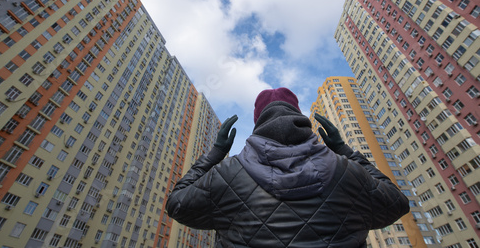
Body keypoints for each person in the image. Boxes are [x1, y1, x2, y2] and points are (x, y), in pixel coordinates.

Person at [167, 87, 410, 247]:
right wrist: (344, 150)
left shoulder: (226, 174)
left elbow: (177, 204)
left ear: (257, 120)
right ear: (298, 114)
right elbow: (396, 203)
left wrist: (215, 154)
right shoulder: (348, 170)